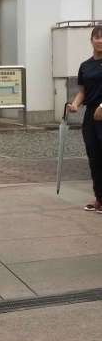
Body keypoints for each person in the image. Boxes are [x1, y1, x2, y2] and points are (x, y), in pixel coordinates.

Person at [68, 24, 102, 212]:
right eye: (97, 37)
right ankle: (99, 199)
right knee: (94, 156)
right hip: (91, 115)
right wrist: (75, 104)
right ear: (91, 40)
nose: (100, 41)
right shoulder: (85, 66)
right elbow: (82, 91)